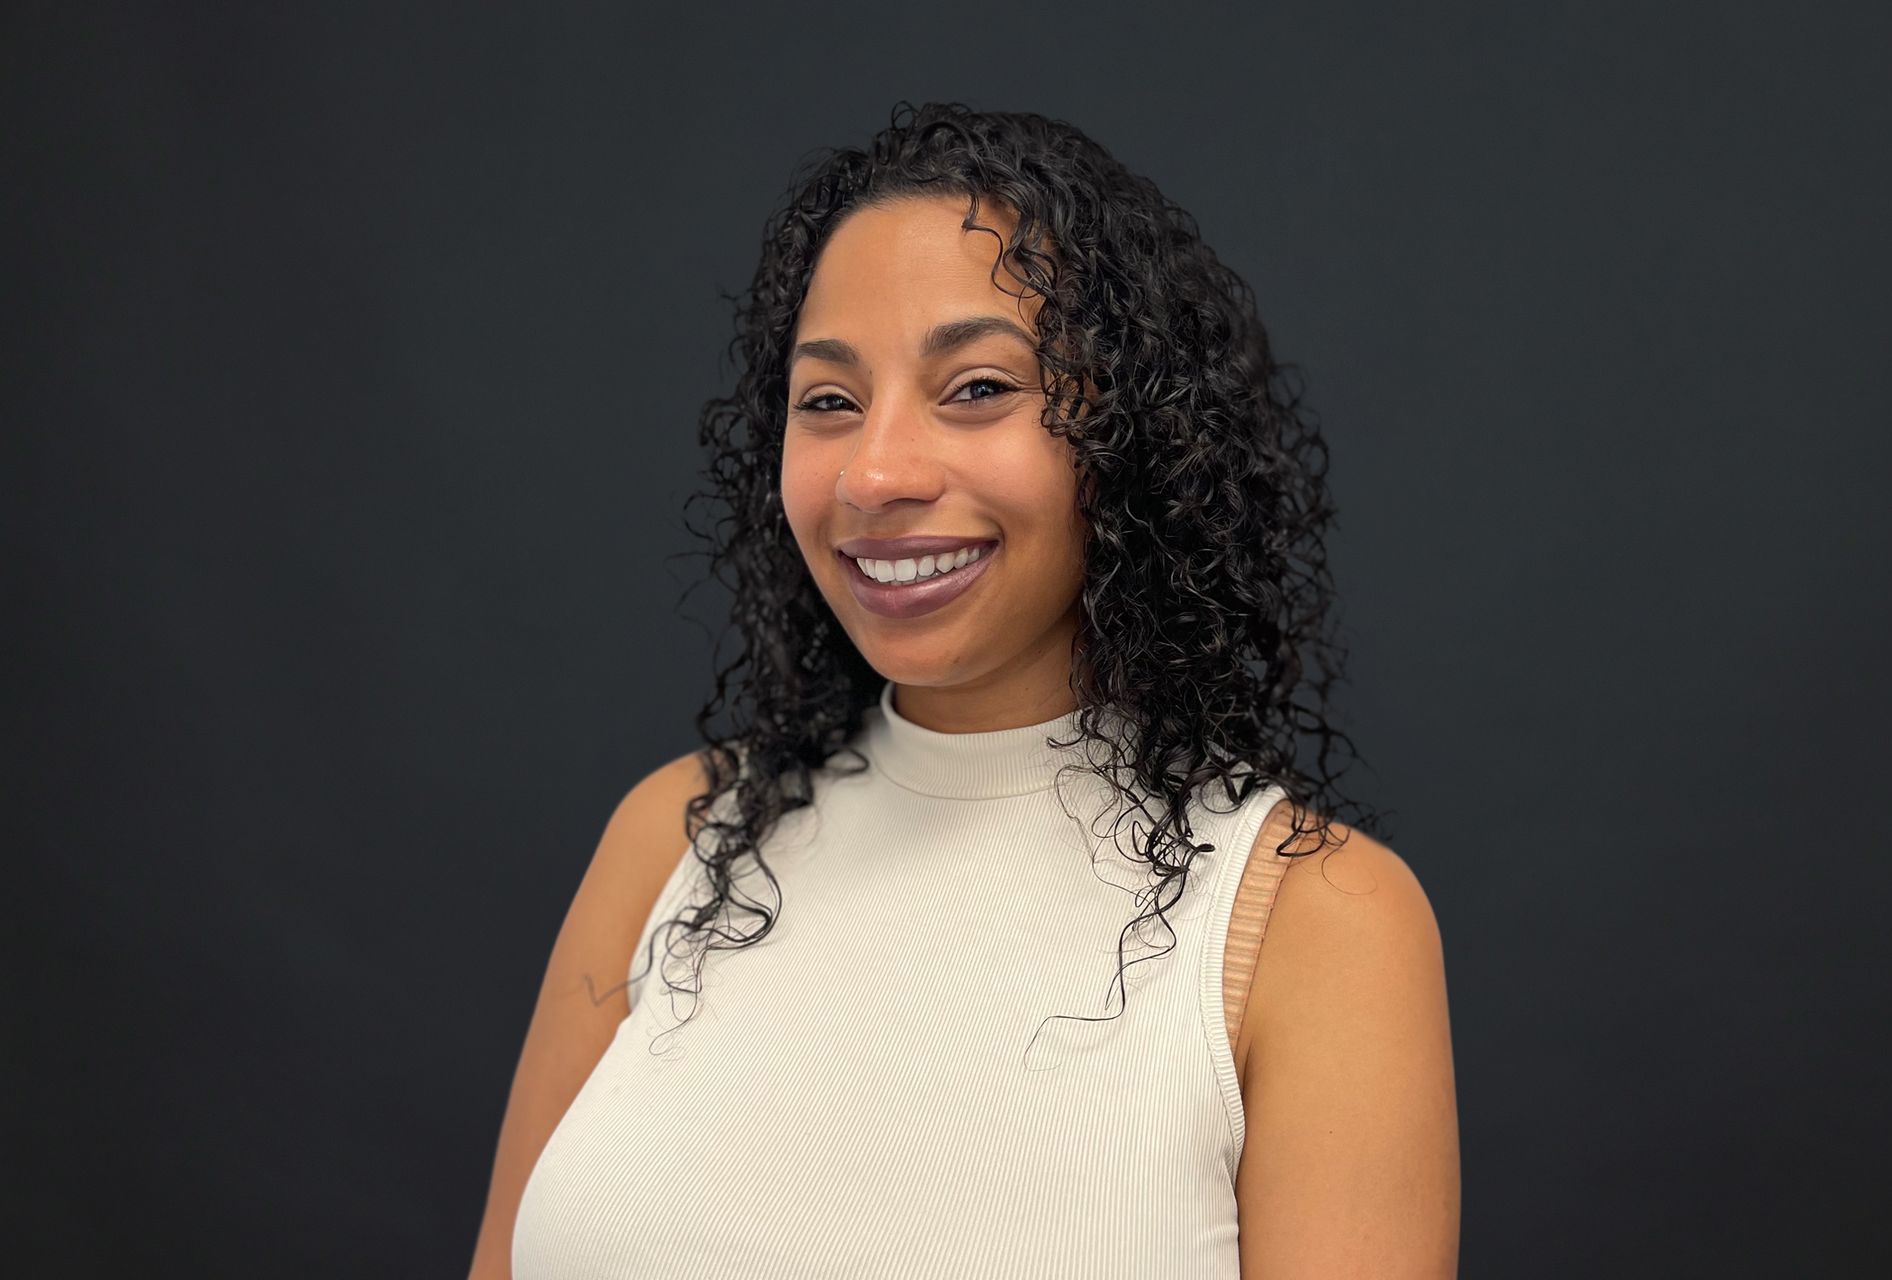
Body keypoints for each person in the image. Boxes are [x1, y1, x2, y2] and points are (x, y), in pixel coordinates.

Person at [468, 101, 1458, 1279]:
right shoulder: (677, 835)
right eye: (828, 401)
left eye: (978, 386)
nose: (874, 473)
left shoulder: (1318, 922)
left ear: (1131, 434)